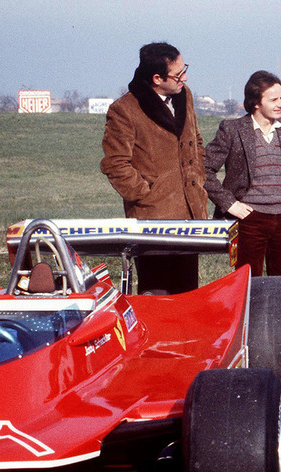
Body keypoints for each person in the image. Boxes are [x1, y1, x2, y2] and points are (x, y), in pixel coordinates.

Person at [101, 42, 208, 294]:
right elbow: (115, 164)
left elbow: (196, 140)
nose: (185, 77)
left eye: (185, 70)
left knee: (188, 295)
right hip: (152, 223)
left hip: (190, 218)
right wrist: (145, 194)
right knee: (156, 295)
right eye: (178, 74)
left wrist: (198, 174)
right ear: (157, 78)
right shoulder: (124, 110)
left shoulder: (185, 95)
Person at [204, 71, 281, 276]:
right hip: (248, 219)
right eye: (273, 99)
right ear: (256, 102)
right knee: (249, 283)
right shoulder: (232, 129)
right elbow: (203, 170)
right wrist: (230, 204)